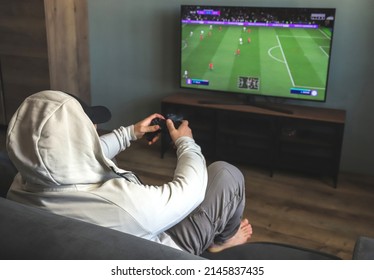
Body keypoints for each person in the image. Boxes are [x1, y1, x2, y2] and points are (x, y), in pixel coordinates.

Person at [6, 90, 252, 255]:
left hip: (126, 230)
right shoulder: (123, 205)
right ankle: (223, 241)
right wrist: (185, 142)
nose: (96, 128)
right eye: (89, 125)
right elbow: (191, 191)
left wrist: (130, 133)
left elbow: (74, 155)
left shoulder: (22, 180)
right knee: (225, 174)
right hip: (165, 248)